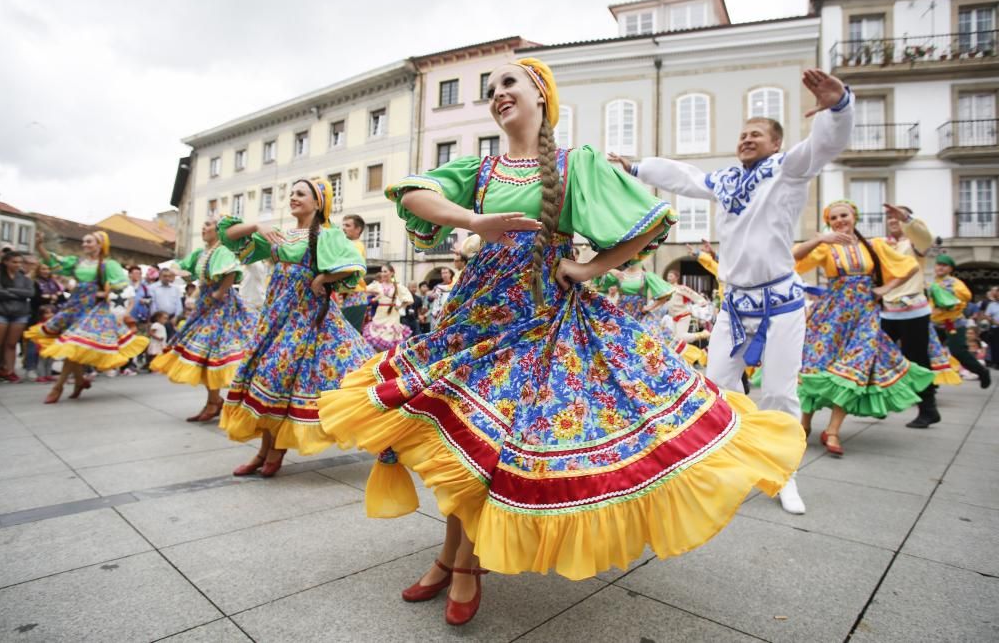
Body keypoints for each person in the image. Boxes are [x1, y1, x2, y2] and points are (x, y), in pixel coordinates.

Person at [314, 57, 804, 626]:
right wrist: (475, 223)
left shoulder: (576, 165)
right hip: (476, 322)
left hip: (545, 323)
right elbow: (414, 195)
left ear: (541, 95)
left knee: (494, 446)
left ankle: (462, 564)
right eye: (491, 88)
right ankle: (452, 557)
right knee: (465, 444)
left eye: (509, 84)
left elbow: (648, 221)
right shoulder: (482, 169)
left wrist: (591, 268)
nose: (498, 94)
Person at [612, 68, 854, 515]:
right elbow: (684, 177)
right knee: (717, 384)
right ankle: (715, 465)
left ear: (776, 142)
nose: (746, 139)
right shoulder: (724, 181)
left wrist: (839, 105)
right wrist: (636, 166)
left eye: (757, 134)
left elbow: (825, 144)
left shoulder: (788, 169)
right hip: (736, 305)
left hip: (781, 303)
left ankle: (784, 475)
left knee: (780, 392)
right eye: (743, 134)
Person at [217, 178, 372, 478]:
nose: (293, 198)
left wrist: (323, 280)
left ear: (318, 202)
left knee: (278, 379)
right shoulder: (280, 235)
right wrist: (255, 227)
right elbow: (229, 235)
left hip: (307, 319)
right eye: (291, 193)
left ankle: (272, 453)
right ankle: (264, 452)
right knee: (269, 381)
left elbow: (355, 265)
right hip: (275, 317)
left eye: (300, 194)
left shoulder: (327, 235)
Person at [793, 200, 934, 455]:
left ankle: (833, 430)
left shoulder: (876, 246)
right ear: (829, 222)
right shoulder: (826, 247)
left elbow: (909, 266)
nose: (840, 221)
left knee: (856, 369)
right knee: (816, 364)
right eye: (833, 218)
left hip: (864, 314)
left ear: (854, 217)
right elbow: (792, 258)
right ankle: (805, 424)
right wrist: (820, 240)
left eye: (843, 215)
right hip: (831, 314)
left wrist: (886, 289)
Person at [25, 231, 148, 403]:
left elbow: (120, 285)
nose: (84, 244)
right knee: (74, 346)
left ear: (100, 245)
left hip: (95, 309)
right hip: (75, 305)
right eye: (84, 241)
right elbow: (55, 263)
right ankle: (80, 381)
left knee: (74, 343)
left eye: (89, 242)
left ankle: (58, 387)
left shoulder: (108, 265)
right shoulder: (78, 262)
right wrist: (39, 246)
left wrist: (103, 291)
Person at [150, 218, 254, 423]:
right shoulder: (201, 253)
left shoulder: (222, 250)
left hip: (221, 308)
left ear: (218, 230)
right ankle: (214, 402)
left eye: (208, 224)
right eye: (203, 224)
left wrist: (220, 293)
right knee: (205, 356)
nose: (203, 227)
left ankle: (221, 402)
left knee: (214, 354)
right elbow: (185, 268)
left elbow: (232, 272)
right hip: (206, 306)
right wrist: (182, 274)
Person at [876, 204, 944, 427]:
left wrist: (907, 219)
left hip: (913, 311)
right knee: (877, 357)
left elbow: (927, 239)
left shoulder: (914, 244)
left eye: (896, 216)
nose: (892, 219)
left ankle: (928, 409)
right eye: (889, 216)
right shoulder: (883, 244)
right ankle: (879, 404)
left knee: (918, 359)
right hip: (888, 310)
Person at [930, 255, 991, 389]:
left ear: (950, 269)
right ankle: (931, 385)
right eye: (938, 264)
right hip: (935, 323)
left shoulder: (954, 283)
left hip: (953, 323)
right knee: (930, 353)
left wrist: (949, 298)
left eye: (944, 265)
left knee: (958, 352)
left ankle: (982, 371)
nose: (940, 267)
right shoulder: (933, 282)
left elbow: (966, 296)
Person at [0, 251, 35, 382]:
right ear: (6, 262)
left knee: (11, 344)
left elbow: (30, 293)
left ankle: (9, 370)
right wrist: (20, 294)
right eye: (14, 262)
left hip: (20, 314)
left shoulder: (24, 278)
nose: (18, 264)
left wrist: (10, 291)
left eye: (20, 262)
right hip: (1, 312)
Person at [362, 264, 413, 351]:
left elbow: (408, 299)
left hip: (392, 315)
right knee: (377, 336)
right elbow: (364, 289)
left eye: (385, 271)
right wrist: (374, 296)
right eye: (382, 271)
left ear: (392, 273)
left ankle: (388, 359)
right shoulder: (377, 285)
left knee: (390, 337)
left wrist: (399, 307)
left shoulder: (397, 286)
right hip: (380, 314)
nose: (383, 273)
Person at [339, 214, 370, 332]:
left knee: (348, 334)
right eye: (343, 225)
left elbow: (348, 268)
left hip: (354, 296)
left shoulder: (356, 246)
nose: (343, 228)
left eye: (347, 225)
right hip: (351, 296)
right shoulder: (350, 245)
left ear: (358, 229)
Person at [150, 267, 184, 340]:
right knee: (159, 339)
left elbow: (179, 304)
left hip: (172, 318)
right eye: (164, 276)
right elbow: (153, 304)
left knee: (171, 339)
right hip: (158, 318)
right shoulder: (153, 288)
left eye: (169, 276)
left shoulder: (175, 288)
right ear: (160, 276)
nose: (167, 278)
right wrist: (157, 318)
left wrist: (176, 316)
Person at [983, 286, 999, 369]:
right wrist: (993, 321)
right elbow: (986, 315)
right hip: (995, 327)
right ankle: (996, 363)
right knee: (995, 345)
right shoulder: (992, 305)